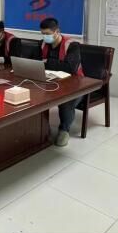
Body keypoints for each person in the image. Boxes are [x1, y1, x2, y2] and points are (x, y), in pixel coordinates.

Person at [39, 17, 84, 147]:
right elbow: (37, 61)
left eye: (47, 34)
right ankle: (42, 127)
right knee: (34, 94)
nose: (45, 37)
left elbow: (70, 67)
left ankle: (64, 130)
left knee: (66, 100)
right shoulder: (43, 44)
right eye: (42, 34)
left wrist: (48, 62)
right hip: (51, 80)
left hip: (75, 83)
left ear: (57, 31)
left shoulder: (72, 45)